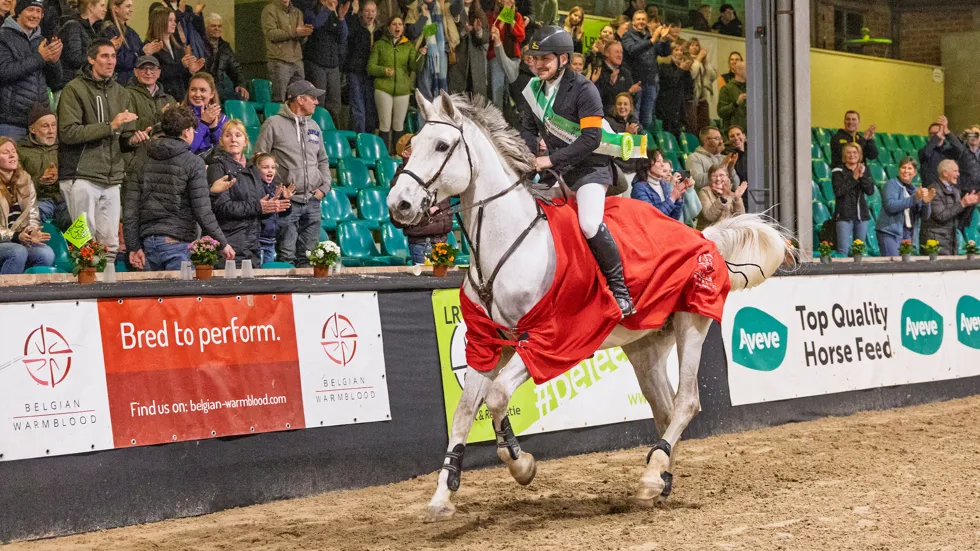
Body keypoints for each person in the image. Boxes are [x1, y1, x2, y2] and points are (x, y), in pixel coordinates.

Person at [520, 26, 635, 316]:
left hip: (590, 169)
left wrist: (549, 160)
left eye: (544, 58)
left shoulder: (585, 89)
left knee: (588, 224)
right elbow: (528, 129)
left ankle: (621, 291)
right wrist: (531, 151)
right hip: (560, 171)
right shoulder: (534, 89)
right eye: (535, 58)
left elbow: (591, 140)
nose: (538, 64)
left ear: (563, 59)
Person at [59, 38, 149, 255]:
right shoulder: (74, 89)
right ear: (91, 59)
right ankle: (81, 288)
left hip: (111, 178)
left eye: (113, 56)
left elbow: (123, 138)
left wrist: (133, 139)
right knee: (82, 244)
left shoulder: (121, 92)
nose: (111, 61)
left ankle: (105, 288)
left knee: (110, 245)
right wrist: (111, 126)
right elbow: (68, 132)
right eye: (104, 56)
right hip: (80, 176)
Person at [124, 105, 233, 271]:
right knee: (180, 297)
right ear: (186, 131)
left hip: (147, 245)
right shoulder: (193, 162)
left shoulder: (140, 159)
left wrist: (133, 247)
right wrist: (222, 243)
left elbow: (130, 210)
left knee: (153, 297)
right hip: (178, 245)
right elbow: (202, 211)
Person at [255, 80, 331, 268]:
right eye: (313, 98)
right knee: (286, 256)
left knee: (309, 258)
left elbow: (323, 160)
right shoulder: (273, 124)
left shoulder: (314, 126)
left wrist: (324, 188)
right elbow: (259, 160)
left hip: (313, 201)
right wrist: (274, 191)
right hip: (287, 203)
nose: (317, 102)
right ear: (300, 99)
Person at [208, 120, 290, 263]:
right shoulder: (217, 167)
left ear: (245, 141)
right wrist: (259, 207)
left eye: (238, 135)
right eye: (228, 135)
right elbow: (221, 207)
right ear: (221, 141)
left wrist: (275, 207)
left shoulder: (253, 169)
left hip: (252, 246)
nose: (233, 139)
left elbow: (258, 208)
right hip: (229, 246)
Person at [0, 0, 62, 140]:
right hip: (11, 121)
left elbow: (56, 82)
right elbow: (4, 72)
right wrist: (40, 57)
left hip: (39, 122)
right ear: (19, 12)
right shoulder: (3, 37)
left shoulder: (42, 41)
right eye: (30, 10)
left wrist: (54, 62)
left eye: (39, 11)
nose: (35, 15)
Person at [368, 17, 426, 152]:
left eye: (400, 24)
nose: (397, 27)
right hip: (383, 88)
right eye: (394, 24)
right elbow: (370, 67)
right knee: (385, 124)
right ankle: (382, 155)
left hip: (403, 90)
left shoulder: (408, 45)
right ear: (389, 27)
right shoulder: (380, 44)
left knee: (398, 125)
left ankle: (398, 157)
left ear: (403, 28)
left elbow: (416, 67)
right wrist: (383, 70)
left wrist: (421, 56)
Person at [0, 136, 54, 273]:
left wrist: (32, 232)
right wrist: (15, 236)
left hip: (17, 240)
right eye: (5, 152)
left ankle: (33, 293)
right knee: (17, 252)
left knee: (46, 254)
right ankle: (8, 293)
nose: (12, 155)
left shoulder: (25, 179)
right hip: (8, 241)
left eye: (13, 151)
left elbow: (33, 214)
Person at [621, 10, 670, 133]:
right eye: (638, 19)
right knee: (634, 116)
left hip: (650, 82)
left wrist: (664, 40)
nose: (641, 22)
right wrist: (651, 41)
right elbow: (632, 49)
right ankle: (634, 144)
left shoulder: (650, 36)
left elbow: (664, 52)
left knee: (647, 119)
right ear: (633, 22)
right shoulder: (628, 36)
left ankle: (643, 145)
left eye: (643, 19)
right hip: (635, 82)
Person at [876, 157, 933, 257]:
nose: (906, 171)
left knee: (904, 268)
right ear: (899, 169)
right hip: (890, 233)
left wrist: (926, 203)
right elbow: (890, 206)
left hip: (907, 234)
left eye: (910, 168)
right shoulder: (891, 184)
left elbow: (924, 217)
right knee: (893, 267)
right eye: (903, 167)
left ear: (915, 172)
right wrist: (914, 198)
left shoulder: (915, 190)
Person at [921, 159, 980, 255]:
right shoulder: (933, 190)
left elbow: (959, 217)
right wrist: (962, 204)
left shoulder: (955, 191)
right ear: (945, 173)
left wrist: (969, 205)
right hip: (935, 244)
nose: (958, 174)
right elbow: (941, 216)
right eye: (955, 171)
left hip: (950, 242)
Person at [303, 0, 349, 122]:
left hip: (333, 63)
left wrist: (341, 19)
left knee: (335, 104)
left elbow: (343, 36)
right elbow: (314, 24)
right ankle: (317, 130)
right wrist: (328, 9)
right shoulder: (311, 9)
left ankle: (333, 133)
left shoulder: (335, 13)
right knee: (319, 101)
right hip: (316, 62)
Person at [18, 103, 63, 226]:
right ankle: (37, 245)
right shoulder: (20, 150)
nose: (51, 131)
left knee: (77, 218)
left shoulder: (64, 146)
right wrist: (40, 181)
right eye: (45, 126)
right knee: (30, 220)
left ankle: (80, 246)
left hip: (63, 198)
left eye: (54, 125)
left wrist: (60, 176)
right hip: (39, 200)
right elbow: (17, 185)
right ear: (33, 129)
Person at [146, 6, 202, 102]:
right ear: (160, 22)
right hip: (161, 97)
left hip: (179, 95)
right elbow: (159, 73)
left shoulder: (177, 46)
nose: (174, 24)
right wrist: (182, 65)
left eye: (174, 20)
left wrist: (191, 71)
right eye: (170, 20)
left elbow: (181, 75)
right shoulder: (151, 47)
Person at [262, 0, 312, 103]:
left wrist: (304, 33)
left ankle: (296, 120)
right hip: (279, 61)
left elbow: (302, 40)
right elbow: (271, 34)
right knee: (279, 99)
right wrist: (295, 32)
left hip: (297, 61)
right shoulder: (269, 10)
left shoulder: (297, 12)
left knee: (299, 99)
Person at [344, 0, 382, 134]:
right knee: (358, 108)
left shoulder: (380, 32)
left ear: (376, 13)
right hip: (355, 72)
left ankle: (368, 141)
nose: (370, 13)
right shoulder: (355, 26)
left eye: (372, 11)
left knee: (371, 109)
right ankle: (358, 142)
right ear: (362, 13)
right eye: (367, 11)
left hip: (371, 75)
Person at [57, 0, 107, 101]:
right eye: (102, 6)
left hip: (80, 86)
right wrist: (99, 54)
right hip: (68, 87)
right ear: (91, 7)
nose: (105, 9)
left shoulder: (91, 30)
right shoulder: (73, 26)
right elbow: (75, 57)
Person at [831, 142, 875, 255]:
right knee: (843, 250)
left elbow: (870, 191)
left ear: (859, 155)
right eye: (848, 152)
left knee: (859, 251)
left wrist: (862, 177)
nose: (852, 155)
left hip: (861, 216)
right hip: (844, 216)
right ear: (844, 156)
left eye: (855, 152)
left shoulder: (865, 169)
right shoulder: (838, 171)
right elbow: (839, 191)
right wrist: (854, 178)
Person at [253, 151, 291, 265]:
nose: (270, 170)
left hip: (271, 240)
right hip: (258, 239)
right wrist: (268, 206)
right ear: (257, 169)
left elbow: (283, 213)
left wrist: (285, 199)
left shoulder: (275, 187)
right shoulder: (255, 187)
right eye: (265, 167)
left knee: (268, 271)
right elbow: (257, 211)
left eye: (273, 167)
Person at [630, 149, 690, 221]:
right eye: (658, 161)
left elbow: (674, 218)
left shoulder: (664, 184)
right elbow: (652, 218)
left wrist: (678, 198)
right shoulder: (639, 188)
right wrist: (672, 198)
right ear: (646, 163)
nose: (662, 164)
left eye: (662, 161)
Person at [202, 13, 249, 102]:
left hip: (220, 86)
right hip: (204, 86)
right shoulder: (200, 44)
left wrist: (240, 85)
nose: (217, 28)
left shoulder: (225, 47)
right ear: (205, 28)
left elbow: (236, 68)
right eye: (213, 26)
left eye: (219, 26)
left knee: (242, 95)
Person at [487, 0, 525, 110]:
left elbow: (521, 36)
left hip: (513, 57)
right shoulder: (491, 15)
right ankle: (497, 121)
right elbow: (494, 35)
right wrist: (504, 15)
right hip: (496, 57)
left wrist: (510, 18)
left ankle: (512, 118)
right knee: (497, 91)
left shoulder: (518, 16)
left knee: (512, 91)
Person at [447, 0, 489, 99]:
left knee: (477, 99)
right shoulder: (454, 9)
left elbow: (486, 37)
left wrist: (478, 31)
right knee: (458, 98)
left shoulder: (480, 12)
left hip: (476, 62)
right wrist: (464, 31)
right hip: (459, 61)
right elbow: (450, 32)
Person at [126, 55, 175, 133]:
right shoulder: (127, 95)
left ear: (159, 73)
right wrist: (159, 117)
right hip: (140, 144)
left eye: (152, 69)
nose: (148, 72)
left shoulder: (169, 99)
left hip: (166, 144)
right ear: (135, 72)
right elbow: (128, 125)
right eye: (143, 69)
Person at [182, 72, 227, 156]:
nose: (197, 94)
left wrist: (214, 129)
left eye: (203, 90)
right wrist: (204, 123)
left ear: (212, 94)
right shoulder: (180, 117)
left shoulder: (223, 119)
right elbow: (186, 151)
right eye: (193, 90)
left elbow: (225, 151)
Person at [101, 0, 145, 86]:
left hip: (131, 81)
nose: (131, 10)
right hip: (119, 82)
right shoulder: (109, 30)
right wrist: (142, 53)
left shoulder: (131, 32)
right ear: (116, 8)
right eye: (128, 6)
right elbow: (120, 61)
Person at [656, 41, 692, 138]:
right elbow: (670, 82)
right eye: (676, 50)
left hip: (679, 107)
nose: (679, 53)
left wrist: (686, 71)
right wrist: (680, 69)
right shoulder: (664, 66)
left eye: (681, 51)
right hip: (665, 106)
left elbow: (689, 88)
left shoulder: (684, 68)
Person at [592, 41, 638, 115]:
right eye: (617, 52)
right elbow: (598, 99)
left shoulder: (625, 72)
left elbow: (633, 101)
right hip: (605, 114)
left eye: (621, 52)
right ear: (607, 53)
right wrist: (611, 84)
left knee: (638, 125)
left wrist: (631, 93)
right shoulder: (598, 71)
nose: (620, 55)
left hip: (623, 114)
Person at [687, 126, 739, 190]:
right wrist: (722, 167)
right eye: (717, 138)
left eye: (721, 138)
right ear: (706, 141)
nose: (721, 142)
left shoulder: (724, 158)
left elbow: (736, 186)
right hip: (706, 198)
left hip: (726, 198)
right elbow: (697, 182)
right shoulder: (694, 157)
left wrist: (730, 169)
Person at [696, 163, 746, 230]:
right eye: (714, 176)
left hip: (727, 234)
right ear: (709, 179)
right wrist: (723, 196)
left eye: (721, 175)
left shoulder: (732, 194)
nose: (718, 179)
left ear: (728, 177)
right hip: (709, 234)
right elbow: (709, 216)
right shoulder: (705, 191)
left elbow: (740, 219)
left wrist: (737, 199)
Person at [919, 116, 964, 188]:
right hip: (932, 191)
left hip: (950, 191)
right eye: (932, 134)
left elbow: (960, 149)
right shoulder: (924, 151)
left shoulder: (948, 152)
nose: (936, 136)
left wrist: (947, 131)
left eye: (938, 133)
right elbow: (925, 153)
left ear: (943, 135)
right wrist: (936, 137)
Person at [687, 38, 716, 135]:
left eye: (697, 45)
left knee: (705, 126)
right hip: (691, 97)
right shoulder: (686, 58)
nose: (694, 47)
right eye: (692, 45)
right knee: (693, 126)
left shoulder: (703, 61)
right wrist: (698, 59)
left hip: (703, 98)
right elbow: (692, 74)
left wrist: (705, 61)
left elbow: (713, 76)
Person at [717, 59, 746, 134]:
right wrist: (736, 104)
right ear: (738, 71)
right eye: (747, 69)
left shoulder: (753, 88)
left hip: (750, 133)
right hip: (734, 134)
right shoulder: (726, 89)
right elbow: (721, 112)